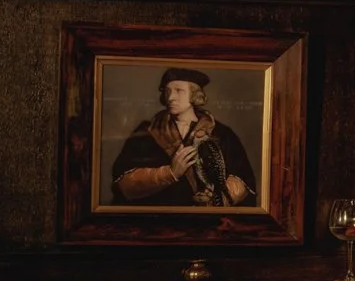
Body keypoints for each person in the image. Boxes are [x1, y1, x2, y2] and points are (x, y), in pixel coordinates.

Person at [108, 67, 257, 206]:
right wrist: (170, 173)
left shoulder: (221, 133)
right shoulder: (147, 132)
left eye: (179, 91)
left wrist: (215, 199)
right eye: (167, 91)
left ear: (194, 95)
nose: (171, 97)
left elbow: (242, 179)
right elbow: (123, 183)